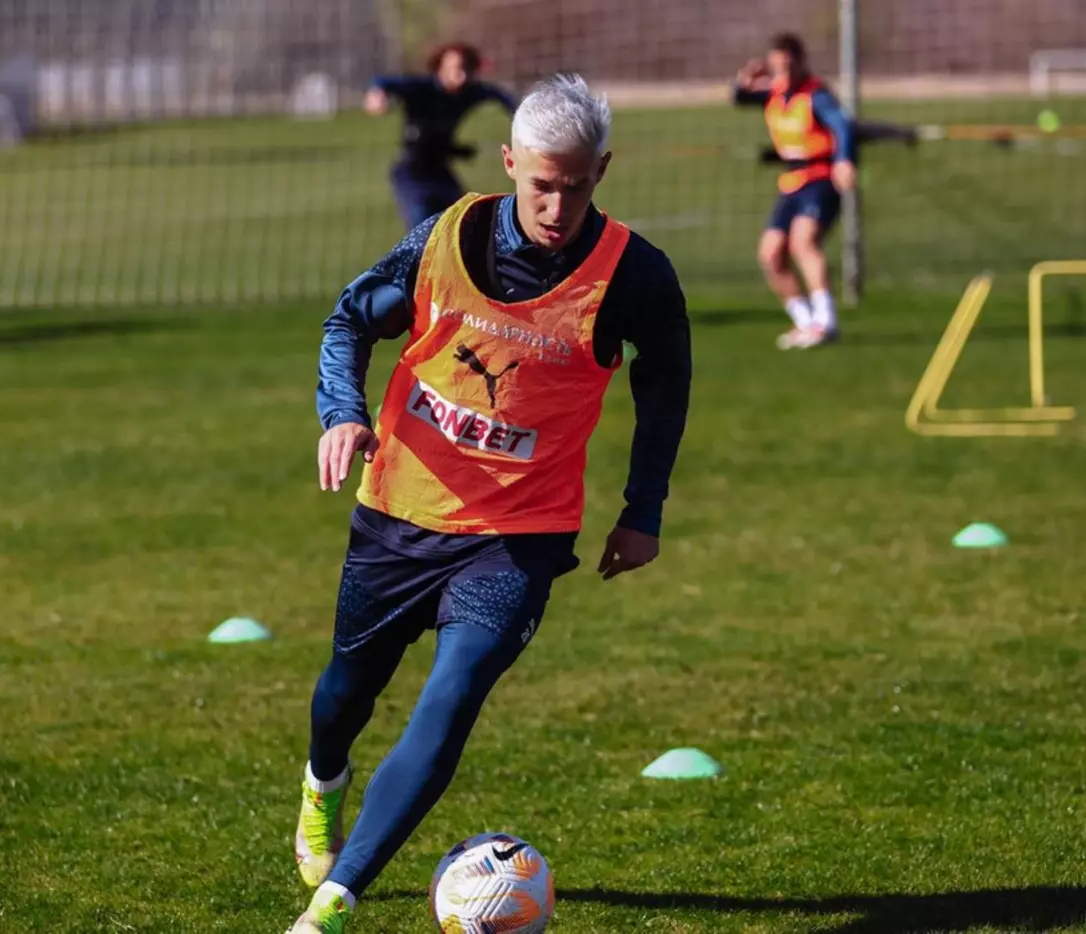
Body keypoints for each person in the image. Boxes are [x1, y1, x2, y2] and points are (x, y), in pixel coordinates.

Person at [287, 74, 692, 933]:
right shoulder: (446, 238)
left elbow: (666, 388)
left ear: (602, 171)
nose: (557, 206)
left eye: (575, 186)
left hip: (518, 536)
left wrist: (643, 510)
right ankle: (323, 783)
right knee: (344, 695)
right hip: (400, 512)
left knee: (453, 695)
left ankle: (334, 902)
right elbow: (348, 320)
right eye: (542, 184)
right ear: (509, 162)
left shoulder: (635, 274)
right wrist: (343, 412)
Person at [734, 33, 857, 350]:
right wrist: (745, 78)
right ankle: (805, 321)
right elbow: (739, 97)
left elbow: (842, 126)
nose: (784, 73)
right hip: (791, 183)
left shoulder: (816, 95)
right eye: (778, 66)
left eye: (788, 66)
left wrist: (844, 160)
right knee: (770, 254)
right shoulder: (773, 93)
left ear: (801, 62)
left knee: (804, 243)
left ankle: (826, 322)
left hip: (820, 178)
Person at [363, 42, 517, 231]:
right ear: (440, 68)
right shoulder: (422, 88)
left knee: (468, 220)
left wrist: (521, 116)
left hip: (440, 171)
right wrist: (377, 94)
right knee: (424, 227)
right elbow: (383, 81)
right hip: (413, 173)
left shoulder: (469, 93)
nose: (461, 75)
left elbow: (502, 97)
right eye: (455, 68)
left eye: (466, 69)